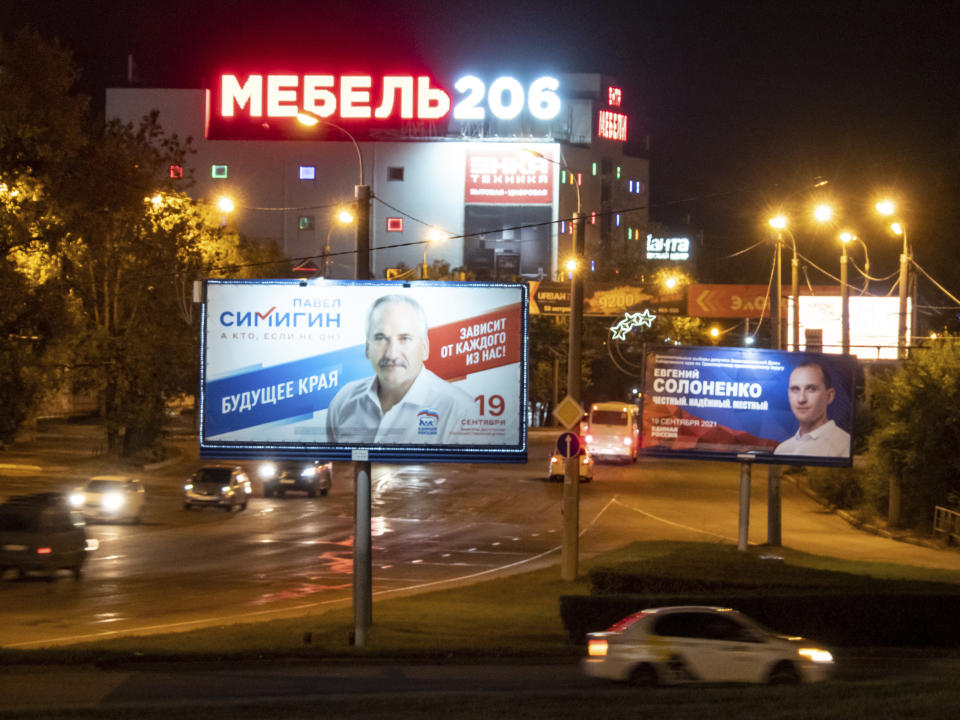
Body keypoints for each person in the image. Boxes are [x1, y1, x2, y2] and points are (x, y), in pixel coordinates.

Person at [325, 294, 479, 444]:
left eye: (404, 338)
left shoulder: (459, 410)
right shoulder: (343, 401)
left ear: (424, 349)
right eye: (380, 338)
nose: (392, 354)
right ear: (367, 348)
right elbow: (337, 466)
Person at [774, 360, 851, 457]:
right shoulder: (782, 450)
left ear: (829, 396)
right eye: (795, 389)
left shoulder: (845, 445)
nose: (801, 399)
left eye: (811, 389)